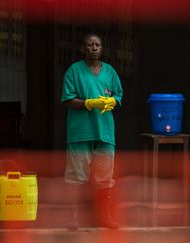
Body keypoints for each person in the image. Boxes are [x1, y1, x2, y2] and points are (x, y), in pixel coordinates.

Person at [60, 33, 123, 230]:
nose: (94, 48)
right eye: (90, 45)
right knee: (75, 176)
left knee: (105, 177)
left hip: (104, 131)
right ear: (83, 49)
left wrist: (112, 101)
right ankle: (73, 217)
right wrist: (88, 103)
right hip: (80, 132)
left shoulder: (110, 72)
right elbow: (68, 99)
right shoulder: (74, 71)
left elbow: (118, 95)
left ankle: (104, 217)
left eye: (98, 45)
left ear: (101, 48)